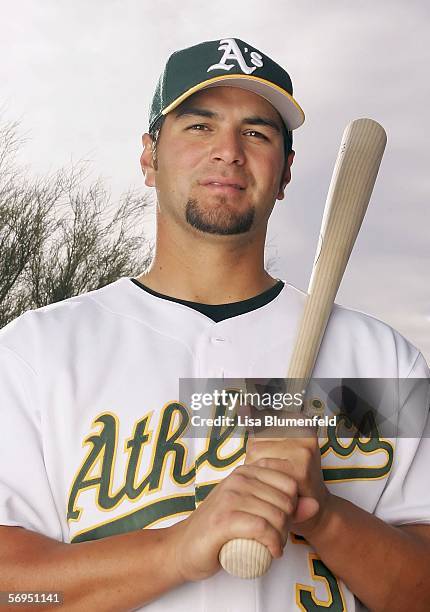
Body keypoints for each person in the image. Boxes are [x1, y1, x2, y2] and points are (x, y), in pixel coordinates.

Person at [0, 37, 429, 612]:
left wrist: (323, 515)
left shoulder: (379, 361)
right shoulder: (37, 353)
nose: (228, 151)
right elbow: (16, 592)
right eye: (199, 127)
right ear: (149, 156)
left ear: (285, 173)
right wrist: (177, 549)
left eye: (257, 132)